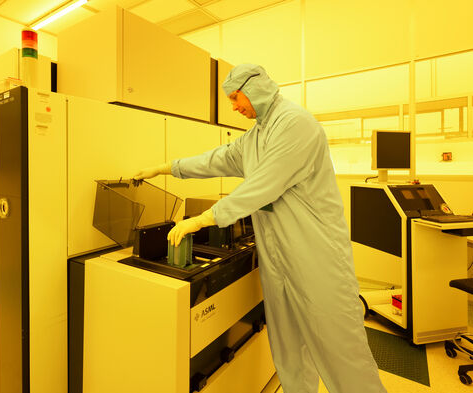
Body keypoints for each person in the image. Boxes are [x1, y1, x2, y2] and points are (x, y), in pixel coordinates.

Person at [133, 64, 387, 393]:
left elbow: (263, 186)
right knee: (289, 352)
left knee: (342, 354)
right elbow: (215, 159)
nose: (234, 107)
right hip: (279, 262)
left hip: (317, 261)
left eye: (236, 98)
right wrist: (164, 168)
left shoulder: (297, 125)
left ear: (256, 88)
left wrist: (202, 219)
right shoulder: (255, 137)